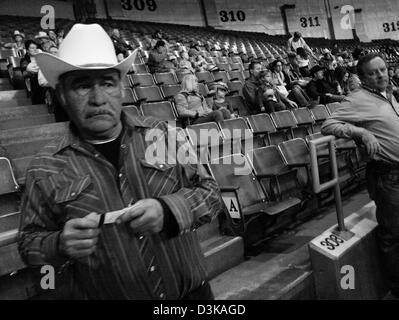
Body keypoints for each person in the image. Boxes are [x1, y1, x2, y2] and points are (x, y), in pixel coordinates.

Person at [18, 23, 223, 300]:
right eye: (82, 86)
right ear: (62, 95)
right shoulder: (45, 167)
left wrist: (170, 210)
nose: (98, 98)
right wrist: (59, 244)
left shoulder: (162, 134)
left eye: (107, 83)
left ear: (122, 89)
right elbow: (28, 243)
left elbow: (210, 193)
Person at [321, 53, 399, 299]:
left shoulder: (388, 94)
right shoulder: (356, 99)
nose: (381, 75)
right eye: (373, 73)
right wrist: (360, 133)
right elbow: (328, 125)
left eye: (383, 70)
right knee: (394, 234)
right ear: (363, 78)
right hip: (387, 176)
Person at [20, 40, 46, 104]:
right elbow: (32, 70)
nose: (35, 50)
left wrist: (41, 55)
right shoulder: (24, 60)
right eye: (32, 48)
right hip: (33, 83)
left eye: (35, 48)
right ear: (27, 50)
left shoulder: (41, 57)